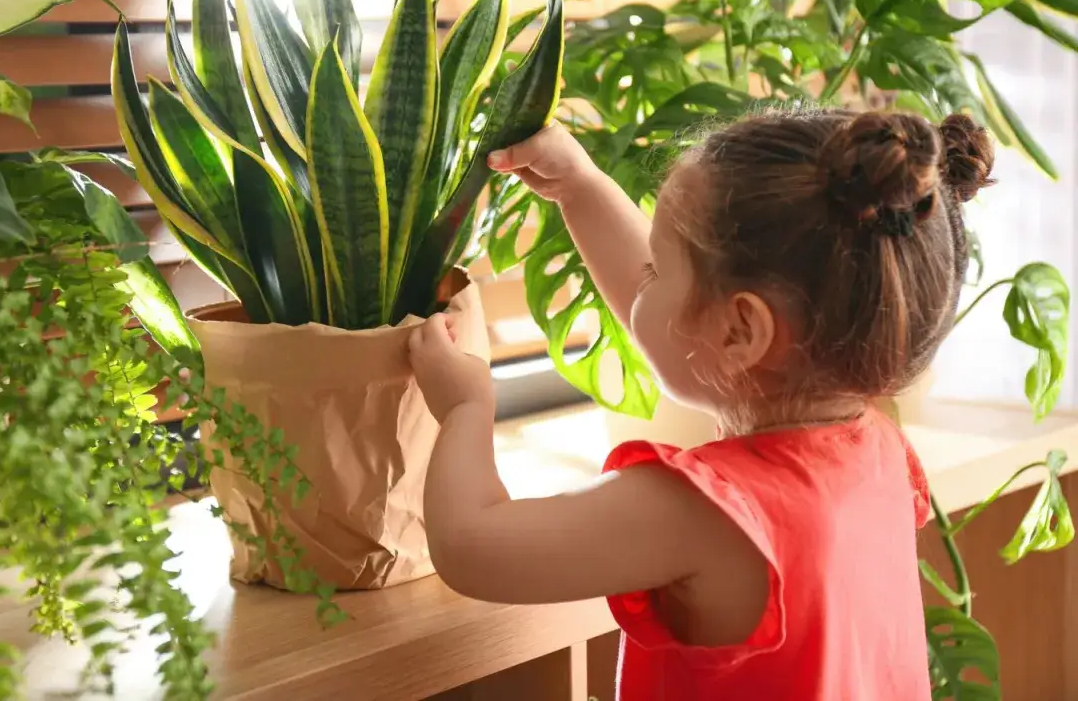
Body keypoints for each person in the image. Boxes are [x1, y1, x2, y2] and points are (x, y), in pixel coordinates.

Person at [408, 109, 995, 700]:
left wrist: (466, 408)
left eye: (656, 269)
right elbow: (679, 321)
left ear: (741, 331)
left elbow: (470, 546)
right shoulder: (880, 454)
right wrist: (578, 188)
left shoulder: (706, 513)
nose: (642, 282)